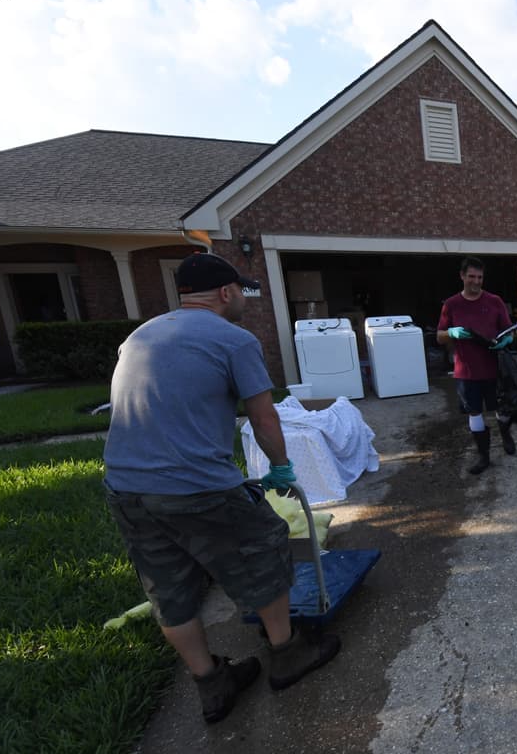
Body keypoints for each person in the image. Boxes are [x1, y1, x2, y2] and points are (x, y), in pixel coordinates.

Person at [102, 252, 341, 724]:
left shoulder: (140, 336)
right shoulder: (234, 339)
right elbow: (264, 414)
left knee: (168, 588)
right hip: (194, 486)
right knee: (265, 543)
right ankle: (286, 653)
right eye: (242, 293)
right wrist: (281, 468)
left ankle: (212, 684)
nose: (244, 301)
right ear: (227, 292)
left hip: (124, 486)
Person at [436, 256, 516, 474]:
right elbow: (439, 336)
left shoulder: (495, 301)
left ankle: (506, 434)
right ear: (462, 276)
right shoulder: (451, 305)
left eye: (480, 277)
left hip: (494, 367)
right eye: (471, 276)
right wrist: (451, 332)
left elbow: (509, 329)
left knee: (501, 408)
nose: (476, 281)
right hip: (467, 371)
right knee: (474, 413)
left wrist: (508, 339)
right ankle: (484, 456)